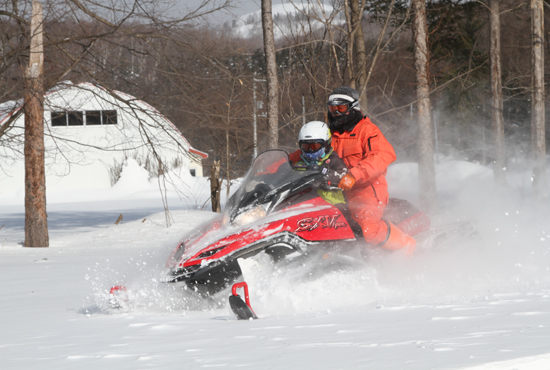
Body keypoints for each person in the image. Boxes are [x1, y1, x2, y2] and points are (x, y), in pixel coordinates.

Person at [326, 86, 416, 254]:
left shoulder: (367, 130)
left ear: (353, 108)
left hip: (367, 190)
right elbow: (309, 151)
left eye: (341, 108)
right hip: (337, 191)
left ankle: (406, 245)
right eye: (333, 109)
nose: (336, 113)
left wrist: (353, 175)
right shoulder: (330, 135)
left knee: (368, 229)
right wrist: (278, 165)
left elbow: (383, 155)